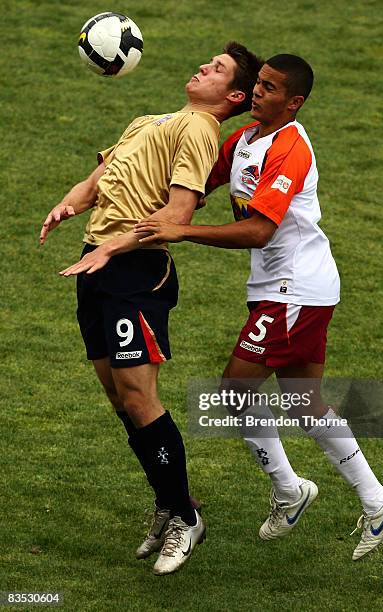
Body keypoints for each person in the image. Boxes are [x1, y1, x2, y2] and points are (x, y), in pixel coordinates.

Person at [134, 54, 383, 561]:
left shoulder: (290, 149)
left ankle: (289, 488)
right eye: (257, 83)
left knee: (233, 394)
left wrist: (181, 231)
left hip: (295, 288)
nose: (258, 92)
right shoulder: (243, 141)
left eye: (271, 88)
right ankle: (378, 500)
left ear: (294, 102)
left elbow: (260, 230)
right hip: (281, 288)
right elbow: (193, 185)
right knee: (305, 402)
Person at [39, 42, 263, 576]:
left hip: (136, 272)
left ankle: (186, 517)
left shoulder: (200, 131)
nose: (203, 65)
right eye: (207, 59)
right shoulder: (150, 120)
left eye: (218, 70)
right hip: (96, 266)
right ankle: (168, 500)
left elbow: (178, 212)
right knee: (120, 396)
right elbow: (98, 183)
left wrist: (113, 247)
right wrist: (70, 203)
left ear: (233, 95)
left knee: (140, 396)